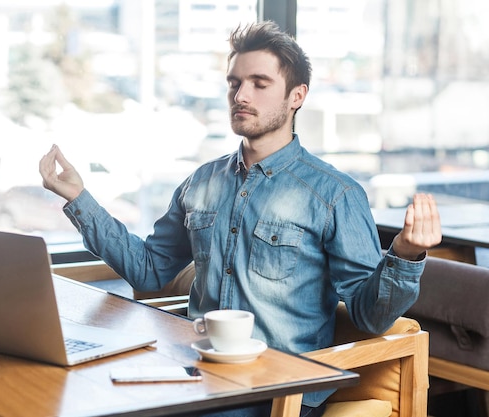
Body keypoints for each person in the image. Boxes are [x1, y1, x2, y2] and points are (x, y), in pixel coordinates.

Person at [40, 21, 441, 417]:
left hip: (280, 390)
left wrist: (405, 253)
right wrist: (79, 198)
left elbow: (369, 317)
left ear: (296, 96)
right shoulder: (201, 182)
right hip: (199, 373)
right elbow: (149, 271)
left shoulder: (336, 195)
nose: (241, 95)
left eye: (259, 83)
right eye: (234, 83)